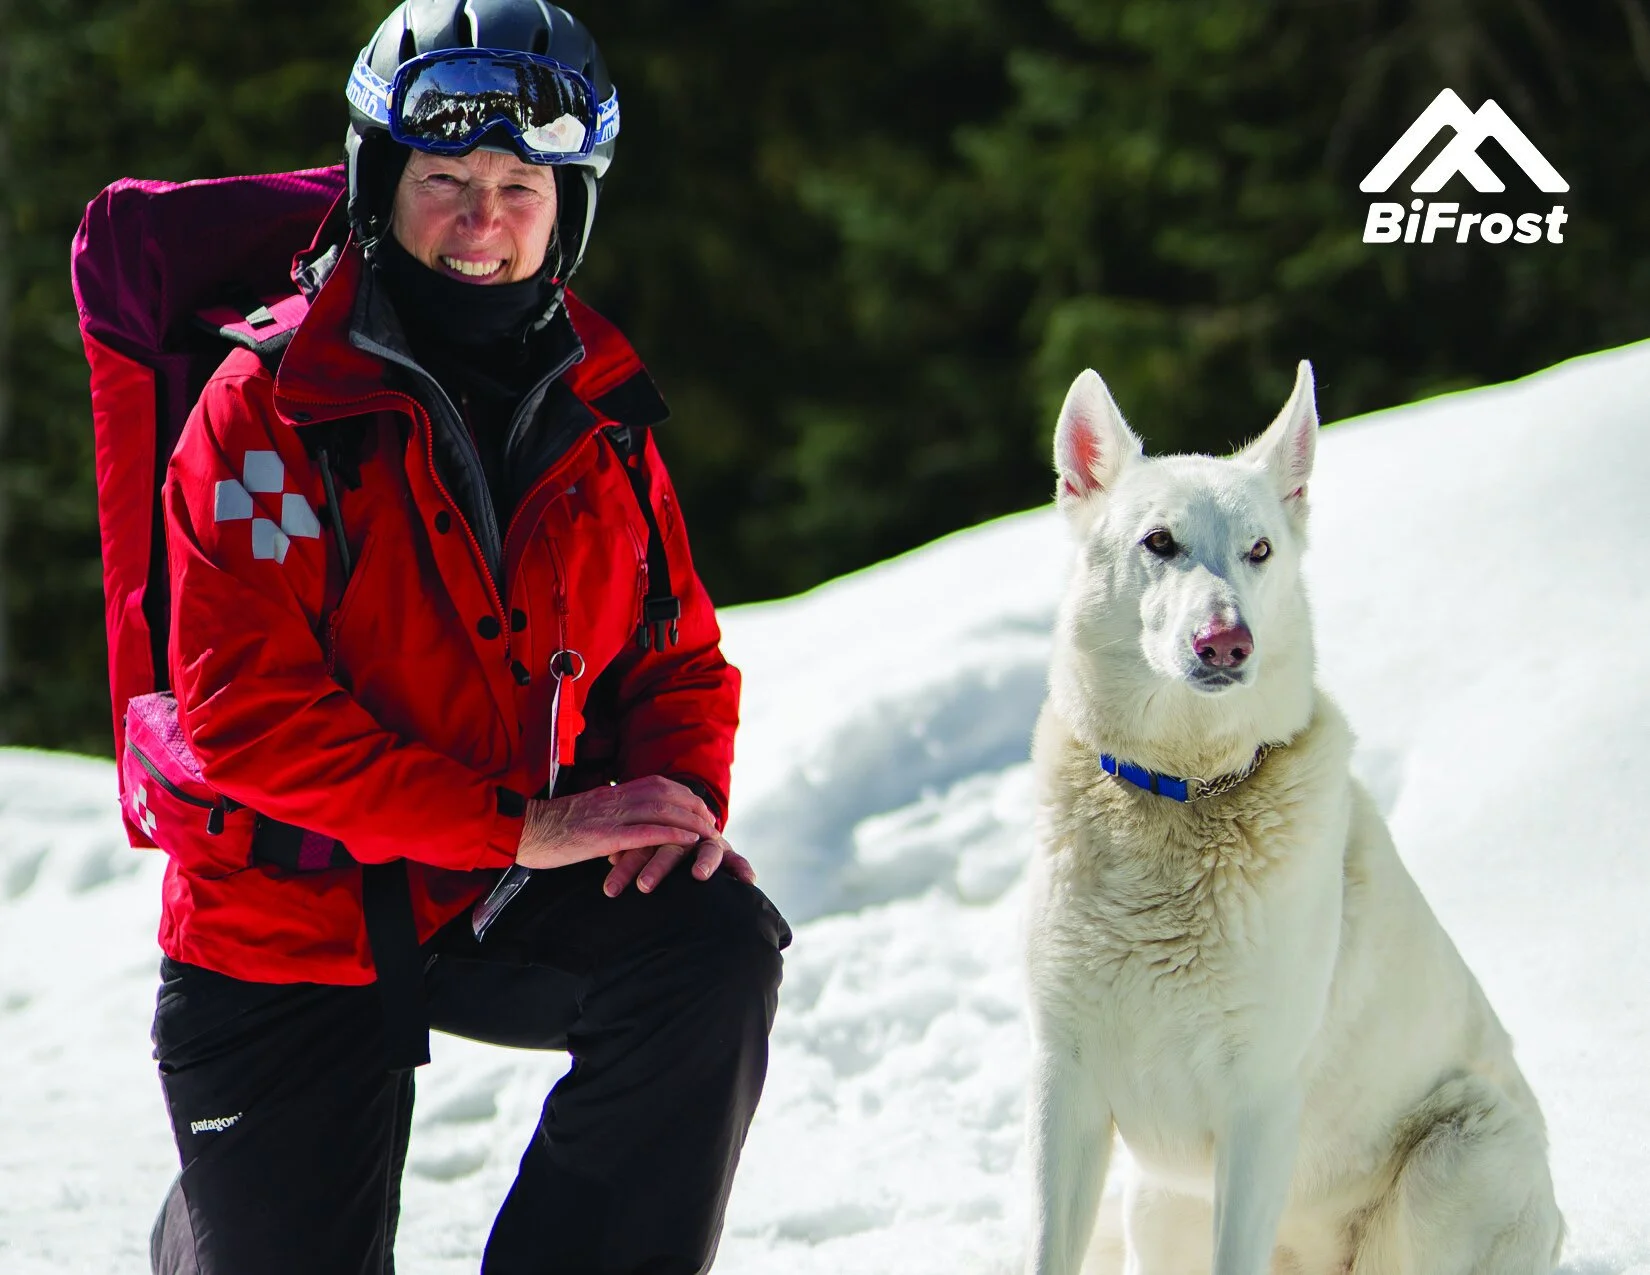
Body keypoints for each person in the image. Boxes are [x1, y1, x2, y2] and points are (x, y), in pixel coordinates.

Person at [146, 3, 789, 1272]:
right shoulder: (269, 409)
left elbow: (674, 658)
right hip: (292, 922)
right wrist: (522, 827)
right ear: (380, 187)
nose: (482, 221)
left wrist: (674, 809)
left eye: (519, 187)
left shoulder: (599, 409)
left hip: (487, 893)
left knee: (709, 946)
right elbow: (251, 718)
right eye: (444, 180)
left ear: (567, 209)